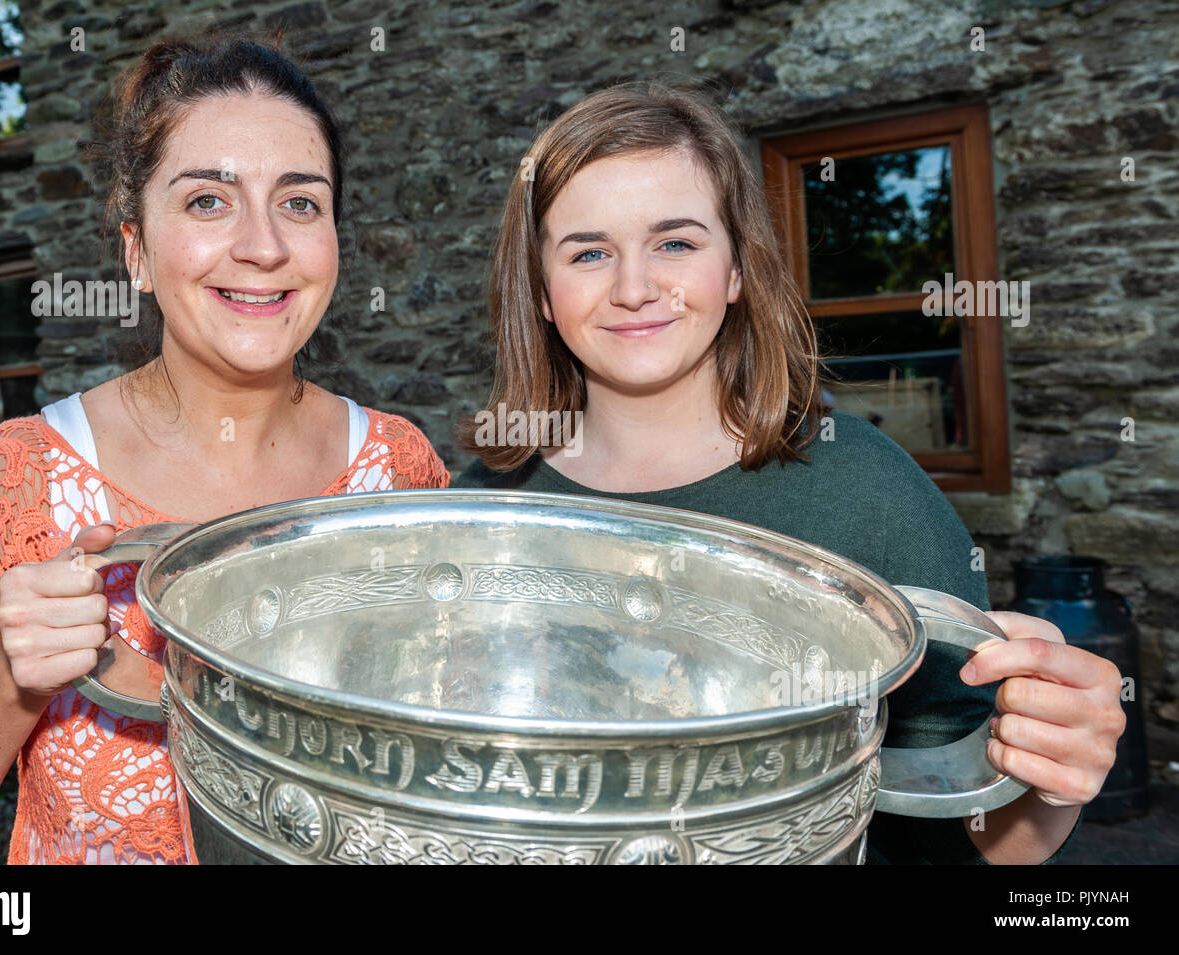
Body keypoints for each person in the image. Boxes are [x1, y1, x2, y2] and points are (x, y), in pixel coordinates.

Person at [452, 81, 1127, 864]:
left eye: (676, 242)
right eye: (590, 252)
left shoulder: (869, 495)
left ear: (736, 269)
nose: (634, 286)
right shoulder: (482, 513)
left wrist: (1050, 777)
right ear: (540, 289)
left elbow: (974, 839)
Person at [0, 36, 448, 864]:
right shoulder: (25, 473)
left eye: (299, 202)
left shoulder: (398, 470)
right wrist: (11, 678)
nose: (263, 245)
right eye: (208, 202)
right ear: (136, 249)